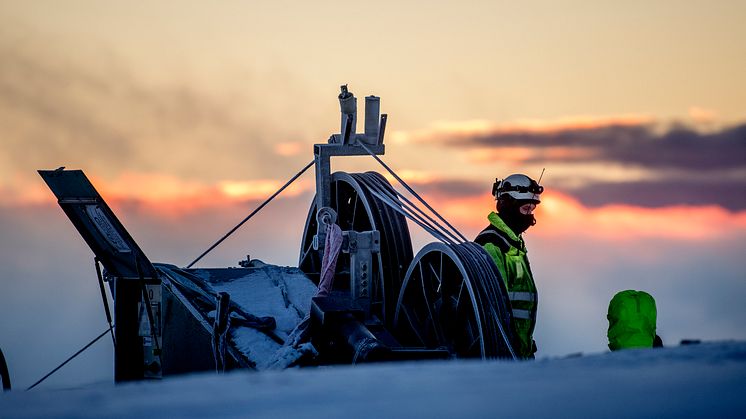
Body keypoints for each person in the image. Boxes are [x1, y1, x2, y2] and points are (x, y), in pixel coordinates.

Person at [474, 174, 543, 359]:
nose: (530, 216)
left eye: (532, 209)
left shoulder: (515, 243)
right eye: (525, 209)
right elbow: (495, 305)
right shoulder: (492, 245)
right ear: (508, 205)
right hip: (502, 352)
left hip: (519, 350)